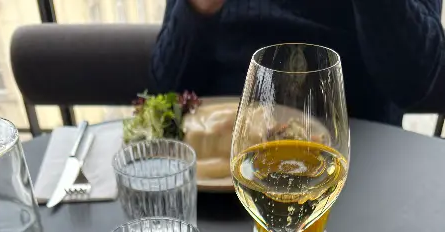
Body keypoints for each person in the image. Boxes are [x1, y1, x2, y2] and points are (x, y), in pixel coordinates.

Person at [149, 0, 445, 126]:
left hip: (353, 154)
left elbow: (413, 81)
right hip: (221, 159)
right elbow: (164, 93)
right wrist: (198, 9)